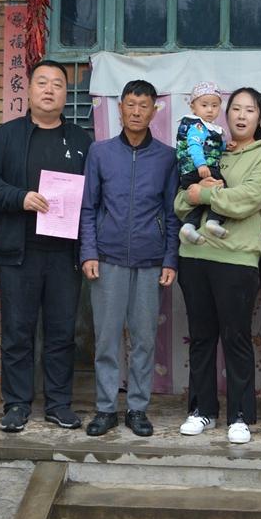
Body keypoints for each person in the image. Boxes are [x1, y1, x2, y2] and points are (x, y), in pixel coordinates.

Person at [0, 59, 92, 433]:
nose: (49, 90)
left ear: (66, 94)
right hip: (19, 252)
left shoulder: (80, 140)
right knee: (17, 332)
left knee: (61, 333)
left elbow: (93, 195)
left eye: (57, 84)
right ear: (28, 90)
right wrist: (20, 198)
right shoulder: (7, 136)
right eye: (42, 82)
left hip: (64, 255)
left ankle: (58, 404)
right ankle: (16, 404)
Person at [175, 87, 261, 444]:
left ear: (260, 117)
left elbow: (247, 199)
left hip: (237, 259)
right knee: (201, 338)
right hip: (194, 257)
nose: (241, 115)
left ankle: (239, 415)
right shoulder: (212, 150)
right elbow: (180, 200)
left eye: (249, 110)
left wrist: (203, 194)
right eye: (235, 109)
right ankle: (201, 410)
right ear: (226, 114)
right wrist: (194, 193)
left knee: (236, 339)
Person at [79, 79, 179, 437]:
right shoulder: (100, 152)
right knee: (106, 338)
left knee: (144, 339)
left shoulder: (166, 157)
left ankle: (137, 408)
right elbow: (88, 207)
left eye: (143, 105)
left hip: (150, 261)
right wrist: (89, 252)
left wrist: (170, 259)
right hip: (107, 259)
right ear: (120, 108)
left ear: (154, 111)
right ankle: (106, 408)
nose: (136, 112)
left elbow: (172, 213)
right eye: (130, 105)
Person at [176, 81, 229, 244]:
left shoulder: (209, 127)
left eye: (214, 105)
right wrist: (201, 165)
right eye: (204, 105)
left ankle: (189, 226)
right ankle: (213, 221)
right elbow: (194, 145)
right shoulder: (197, 125)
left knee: (200, 200)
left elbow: (212, 145)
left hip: (188, 173)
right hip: (198, 169)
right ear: (193, 107)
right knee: (221, 187)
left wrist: (226, 146)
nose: (210, 109)